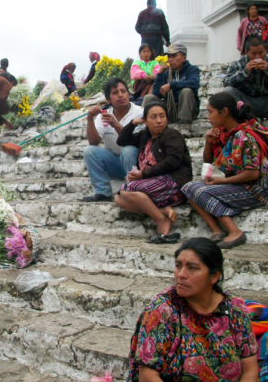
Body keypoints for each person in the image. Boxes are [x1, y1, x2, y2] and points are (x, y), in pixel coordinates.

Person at [127, 237, 259, 382]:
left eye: (192, 268)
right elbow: (148, 378)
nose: (181, 274)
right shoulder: (163, 311)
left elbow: (250, 371)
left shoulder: (235, 311)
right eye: (178, 266)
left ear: (214, 276)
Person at [182, 92, 268, 249]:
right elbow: (208, 161)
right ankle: (217, 230)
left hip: (256, 189)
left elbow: (252, 173)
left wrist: (221, 181)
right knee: (188, 188)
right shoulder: (223, 134)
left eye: (210, 111)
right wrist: (208, 143)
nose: (208, 117)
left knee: (201, 192)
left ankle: (234, 232)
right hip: (237, 186)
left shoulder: (246, 136)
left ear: (225, 112)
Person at [115, 101, 192, 244]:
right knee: (118, 198)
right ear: (146, 121)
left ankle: (161, 220)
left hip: (174, 183)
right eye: (153, 117)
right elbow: (122, 141)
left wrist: (143, 175)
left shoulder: (172, 134)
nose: (158, 121)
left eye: (162, 116)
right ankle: (162, 210)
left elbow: (173, 161)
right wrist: (133, 123)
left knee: (127, 189)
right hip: (154, 186)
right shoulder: (145, 136)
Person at [82, 78, 144, 202]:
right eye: (115, 92)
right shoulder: (104, 115)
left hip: (136, 163)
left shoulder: (139, 112)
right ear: (108, 99)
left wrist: (115, 124)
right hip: (115, 162)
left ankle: (131, 189)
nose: (120, 95)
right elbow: (94, 142)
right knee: (89, 151)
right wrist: (90, 119)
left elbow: (135, 142)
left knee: (128, 150)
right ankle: (102, 192)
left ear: (128, 94)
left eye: (123, 91)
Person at [142, 43, 200, 124]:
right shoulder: (166, 73)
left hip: (187, 111)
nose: (170, 59)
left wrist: (171, 85)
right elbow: (157, 93)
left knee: (186, 91)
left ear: (183, 58)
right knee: (149, 97)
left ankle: (184, 126)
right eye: (169, 56)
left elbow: (194, 83)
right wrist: (160, 73)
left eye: (174, 56)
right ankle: (144, 125)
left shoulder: (192, 69)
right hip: (170, 110)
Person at [223, 36, 268, 119]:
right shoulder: (238, 64)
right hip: (246, 102)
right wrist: (245, 72)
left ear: (266, 49)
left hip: (265, 101)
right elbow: (226, 83)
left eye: (261, 52)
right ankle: (239, 121)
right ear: (246, 52)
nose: (258, 57)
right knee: (228, 91)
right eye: (253, 54)